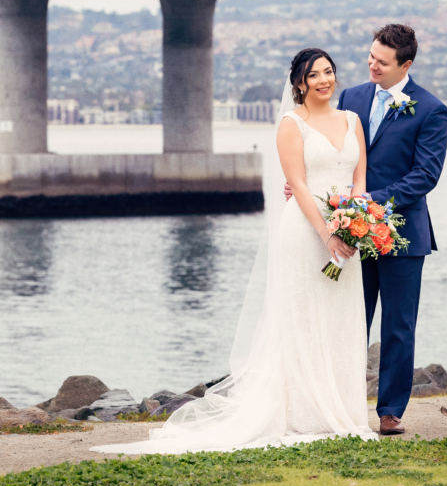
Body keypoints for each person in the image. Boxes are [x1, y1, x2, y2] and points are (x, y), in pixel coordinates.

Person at [92, 48, 377, 455]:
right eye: (315, 75)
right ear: (300, 83)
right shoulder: (291, 124)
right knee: (303, 321)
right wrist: (327, 233)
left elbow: (360, 177)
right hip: (304, 232)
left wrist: (356, 225)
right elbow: (296, 184)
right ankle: (304, 414)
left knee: (340, 320)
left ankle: (346, 413)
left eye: (329, 72)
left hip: (349, 236)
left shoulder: (352, 120)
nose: (324, 80)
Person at [325, 24, 447, 436]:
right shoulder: (352, 97)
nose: (371, 65)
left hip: (403, 236)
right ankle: (340, 405)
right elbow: (337, 154)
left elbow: (425, 176)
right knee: (349, 320)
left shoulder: (431, 109)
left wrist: (370, 202)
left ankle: (390, 411)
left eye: (381, 61)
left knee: (398, 326)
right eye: (371, 56)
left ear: (405, 65)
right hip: (353, 234)